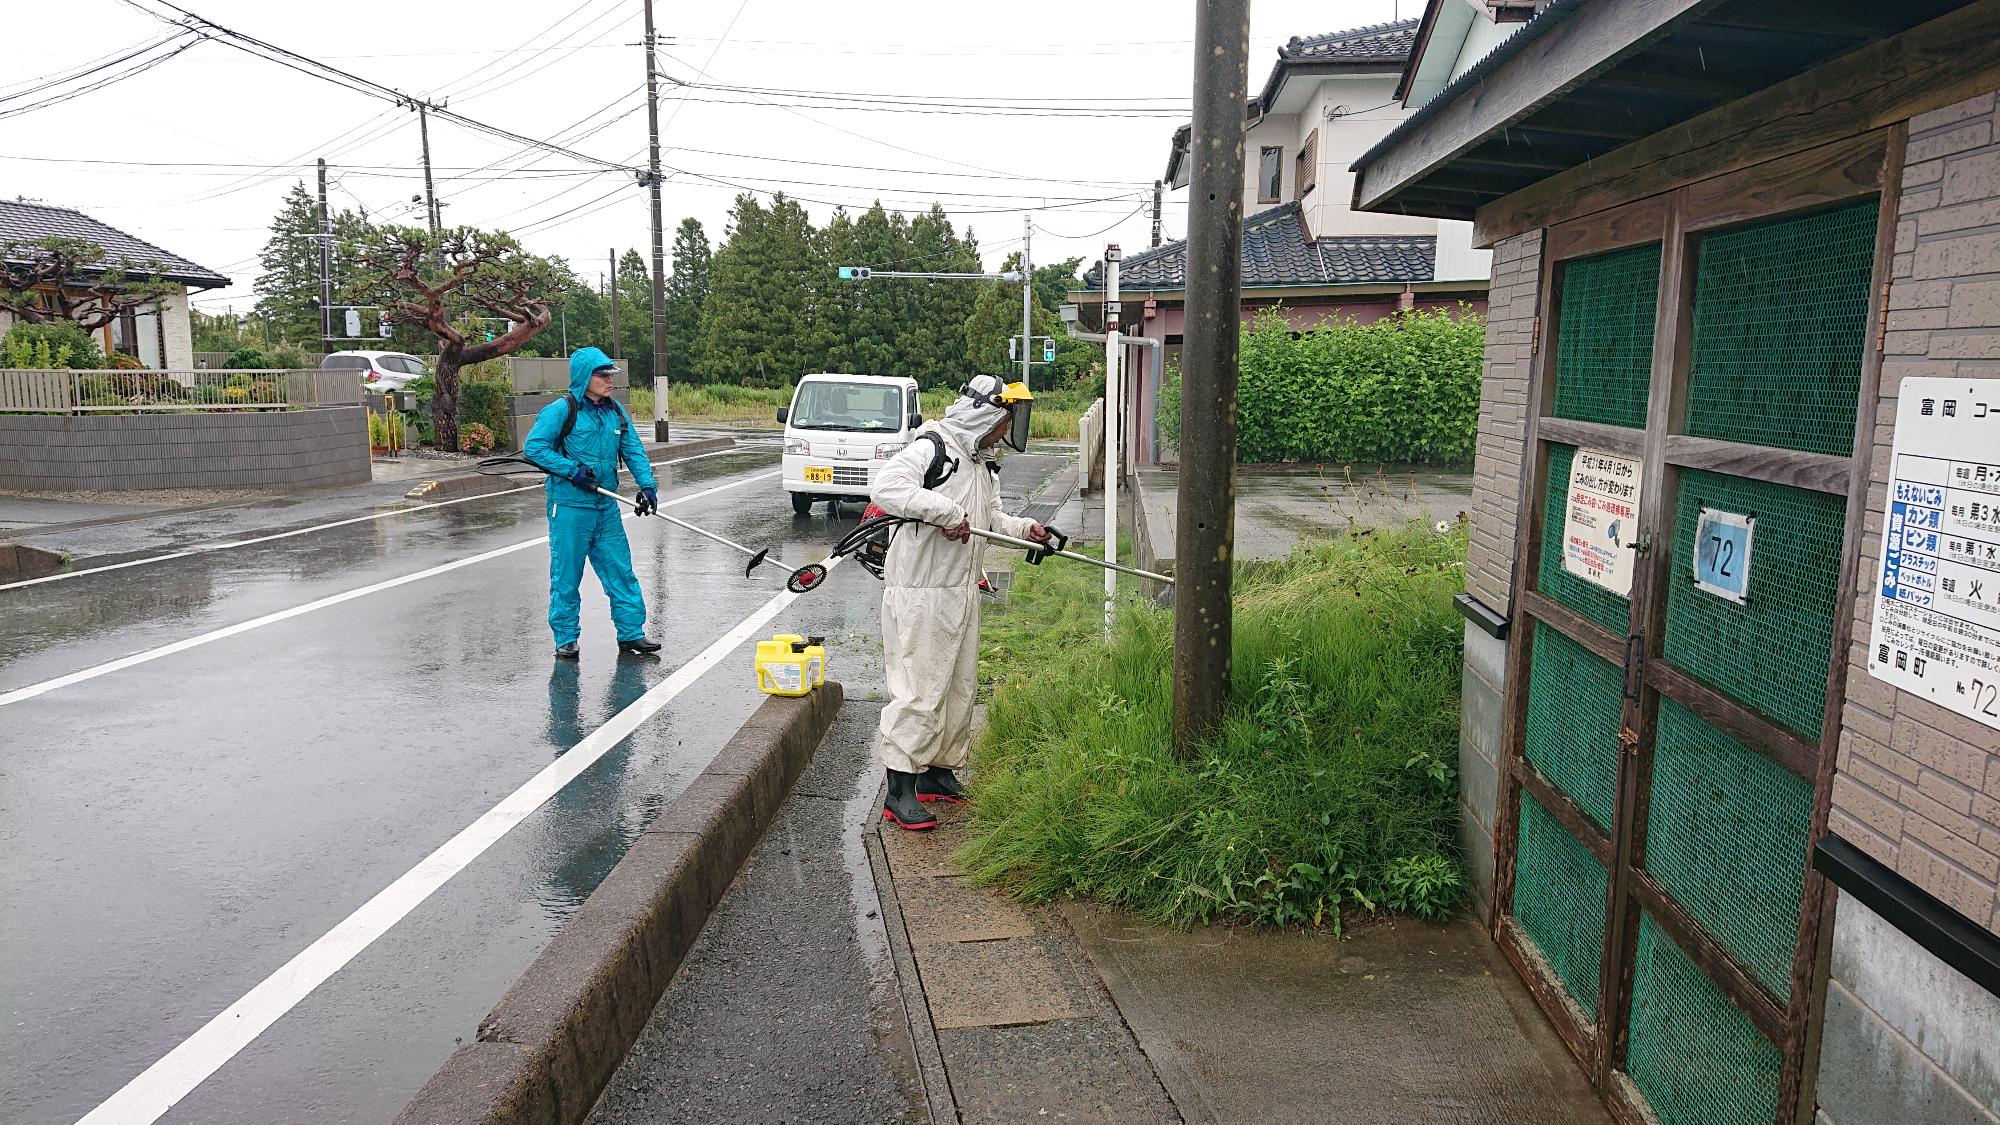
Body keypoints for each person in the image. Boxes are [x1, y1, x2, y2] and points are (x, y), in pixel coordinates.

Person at [869, 373, 1049, 830]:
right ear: (985, 412)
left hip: (961, 590)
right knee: (919, 689)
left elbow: (989, 519)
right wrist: (943, 512)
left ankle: (938, 773)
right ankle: (899, 789)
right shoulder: (934, 445)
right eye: (1005, 420)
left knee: (957, 688)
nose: (1007, 430)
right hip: (920, 592)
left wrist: (1026, 530)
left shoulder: (982, 462)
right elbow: (886, 487)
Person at [523, 346, 662, 659]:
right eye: (602, 375)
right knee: (566, 576)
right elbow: (534, 448)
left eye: (611, 374)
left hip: (605, 509)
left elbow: (634, 449)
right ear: (585, 377)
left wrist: (648, 486)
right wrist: (571, 471)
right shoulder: (562, 410)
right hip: (570, 508)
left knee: (621, 571)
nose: (609, 380)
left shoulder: (615, 411)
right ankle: (565, 638)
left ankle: (631, 634)